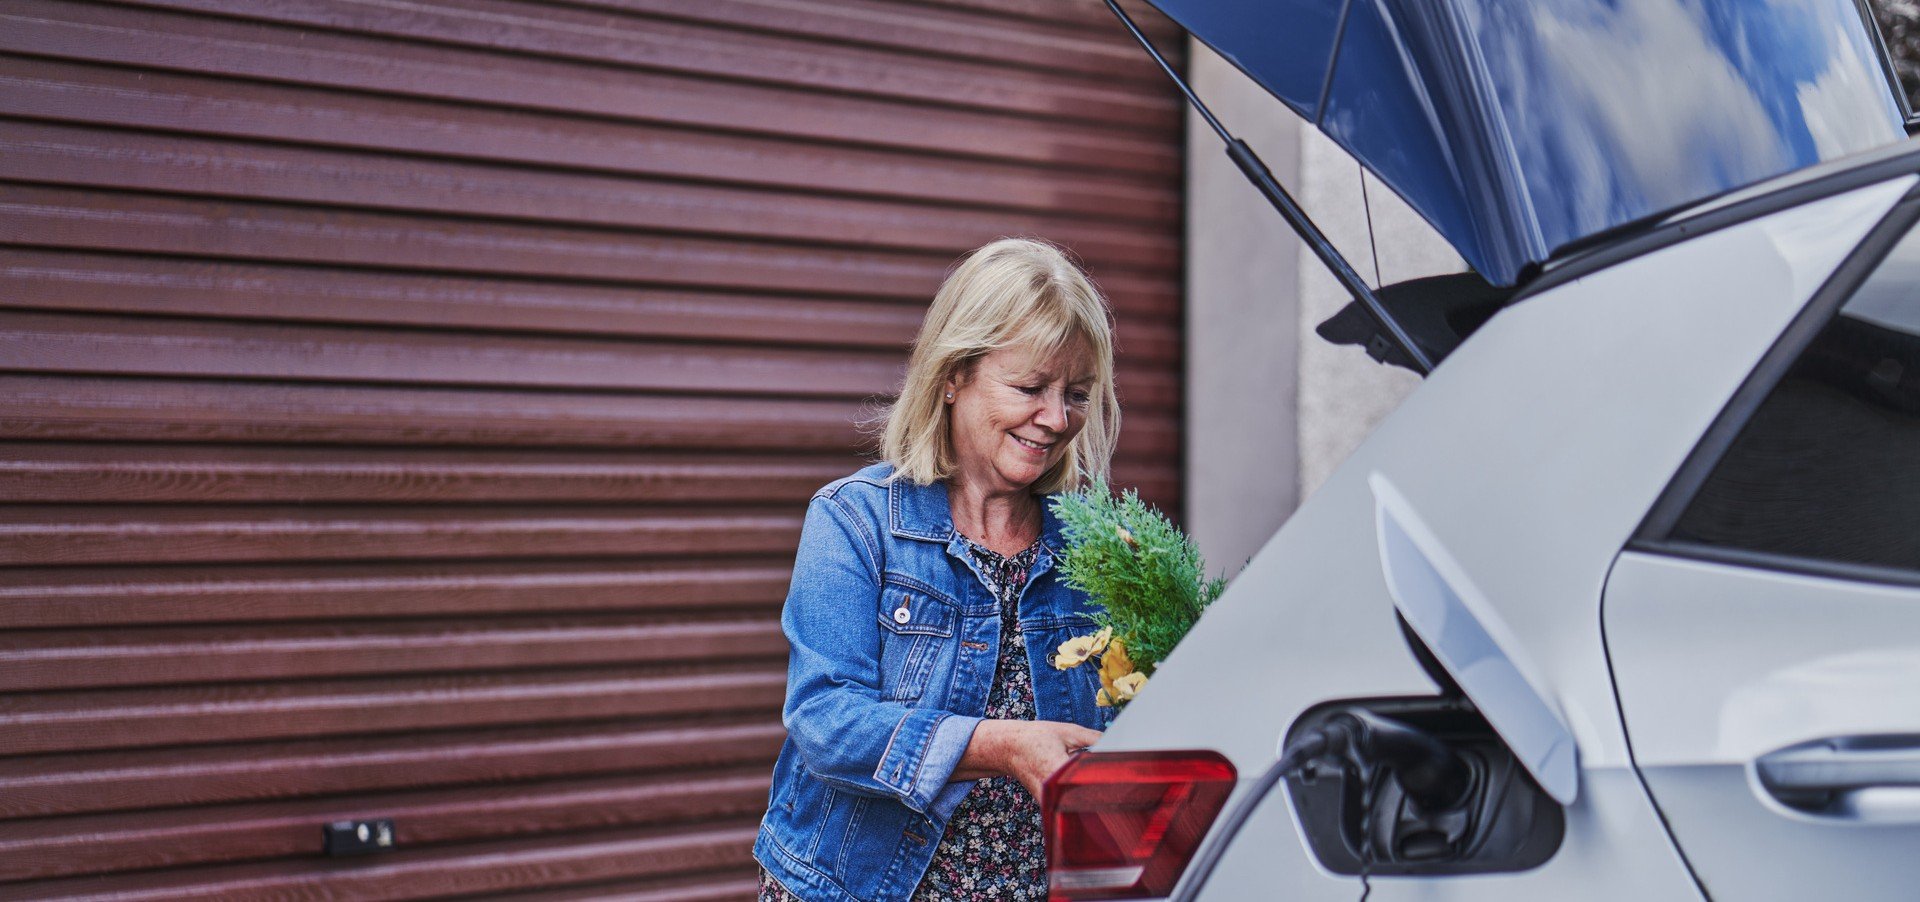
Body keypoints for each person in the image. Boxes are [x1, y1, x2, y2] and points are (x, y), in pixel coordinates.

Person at [753, 238, 1122, 902]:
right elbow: (826, 721)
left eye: (1076, 393)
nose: (1057, 418)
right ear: (953, 376)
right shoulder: (856, 521)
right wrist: (1001, 744)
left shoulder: (1093, 548)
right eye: (1031, 387)